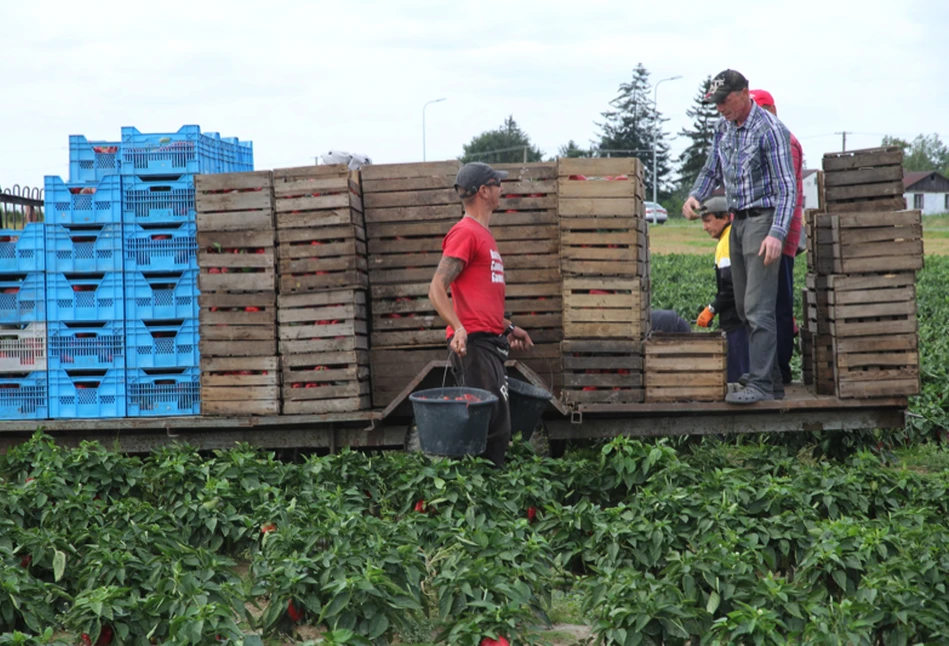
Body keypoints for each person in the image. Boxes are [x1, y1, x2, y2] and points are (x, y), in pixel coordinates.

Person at [682, 69, 797, 404]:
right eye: (715, 102)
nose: (720, 107)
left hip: (763, 221)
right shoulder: (724, 128)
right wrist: (695, 195)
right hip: (738, 222)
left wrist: (777, 233)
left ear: (744, 93)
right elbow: (710, 169)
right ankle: (769, 380)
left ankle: (760, 384)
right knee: (746, 307)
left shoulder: (770, 129)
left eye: (725, 100)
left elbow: (788, 188)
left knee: (760, 308)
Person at [428, 162, 534, 468]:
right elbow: (436, 288)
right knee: (489, 432)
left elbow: (479, 302)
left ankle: (486, 497)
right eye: (497, 183)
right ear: (483, 191)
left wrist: (509, 327)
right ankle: (476, 501)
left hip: (488, 343)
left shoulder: (483, 235)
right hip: (473, 346)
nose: (502, 188)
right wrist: (458, 328)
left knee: (497, 429)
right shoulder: (465, 233)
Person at [749, 89, 803, 385]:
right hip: (761, 235)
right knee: (760, 303)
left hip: (777, 237)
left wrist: (774, 234)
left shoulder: (785, 142)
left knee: (778, 303)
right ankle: (765, 367)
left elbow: (786, 193)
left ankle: (779, 369)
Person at [695, 196, 750, 384]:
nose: (705, 227)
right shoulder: (733, 236)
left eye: (708, 221)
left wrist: (711, 309)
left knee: (738, 377)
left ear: (725, 217)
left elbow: (732, 287)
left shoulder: (727, 242)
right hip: (742, 318)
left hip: (736, 320)